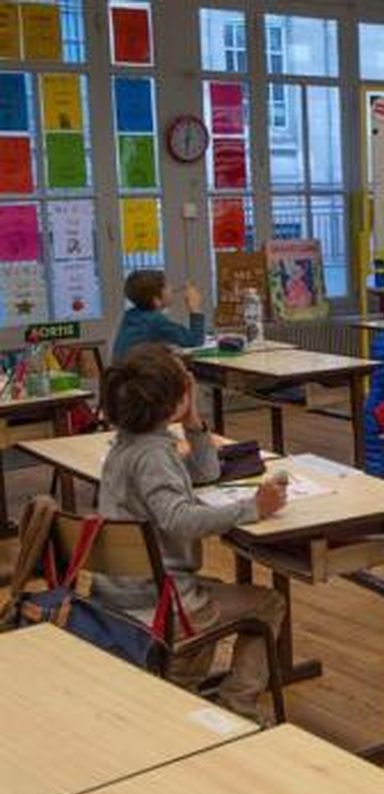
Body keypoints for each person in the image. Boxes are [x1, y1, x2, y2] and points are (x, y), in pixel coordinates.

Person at [92, 344, 288, 721]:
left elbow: (205, 473)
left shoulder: (129, 445)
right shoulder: (154, 457)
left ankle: (182, 680)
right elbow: (178, 518)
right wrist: (253, 508)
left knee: (212, 591)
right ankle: (237, 706)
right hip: (161, 602)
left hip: (123, 593)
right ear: (173, 400)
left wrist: (193, 422)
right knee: (268, 603)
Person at [112, 269, 206, 362]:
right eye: (166, 286)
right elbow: (195, 340)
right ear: (156, 300)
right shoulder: (154, 321)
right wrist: (195, 308)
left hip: (122, 374)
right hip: (140, 375)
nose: (172, 289)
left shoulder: (131, 315)